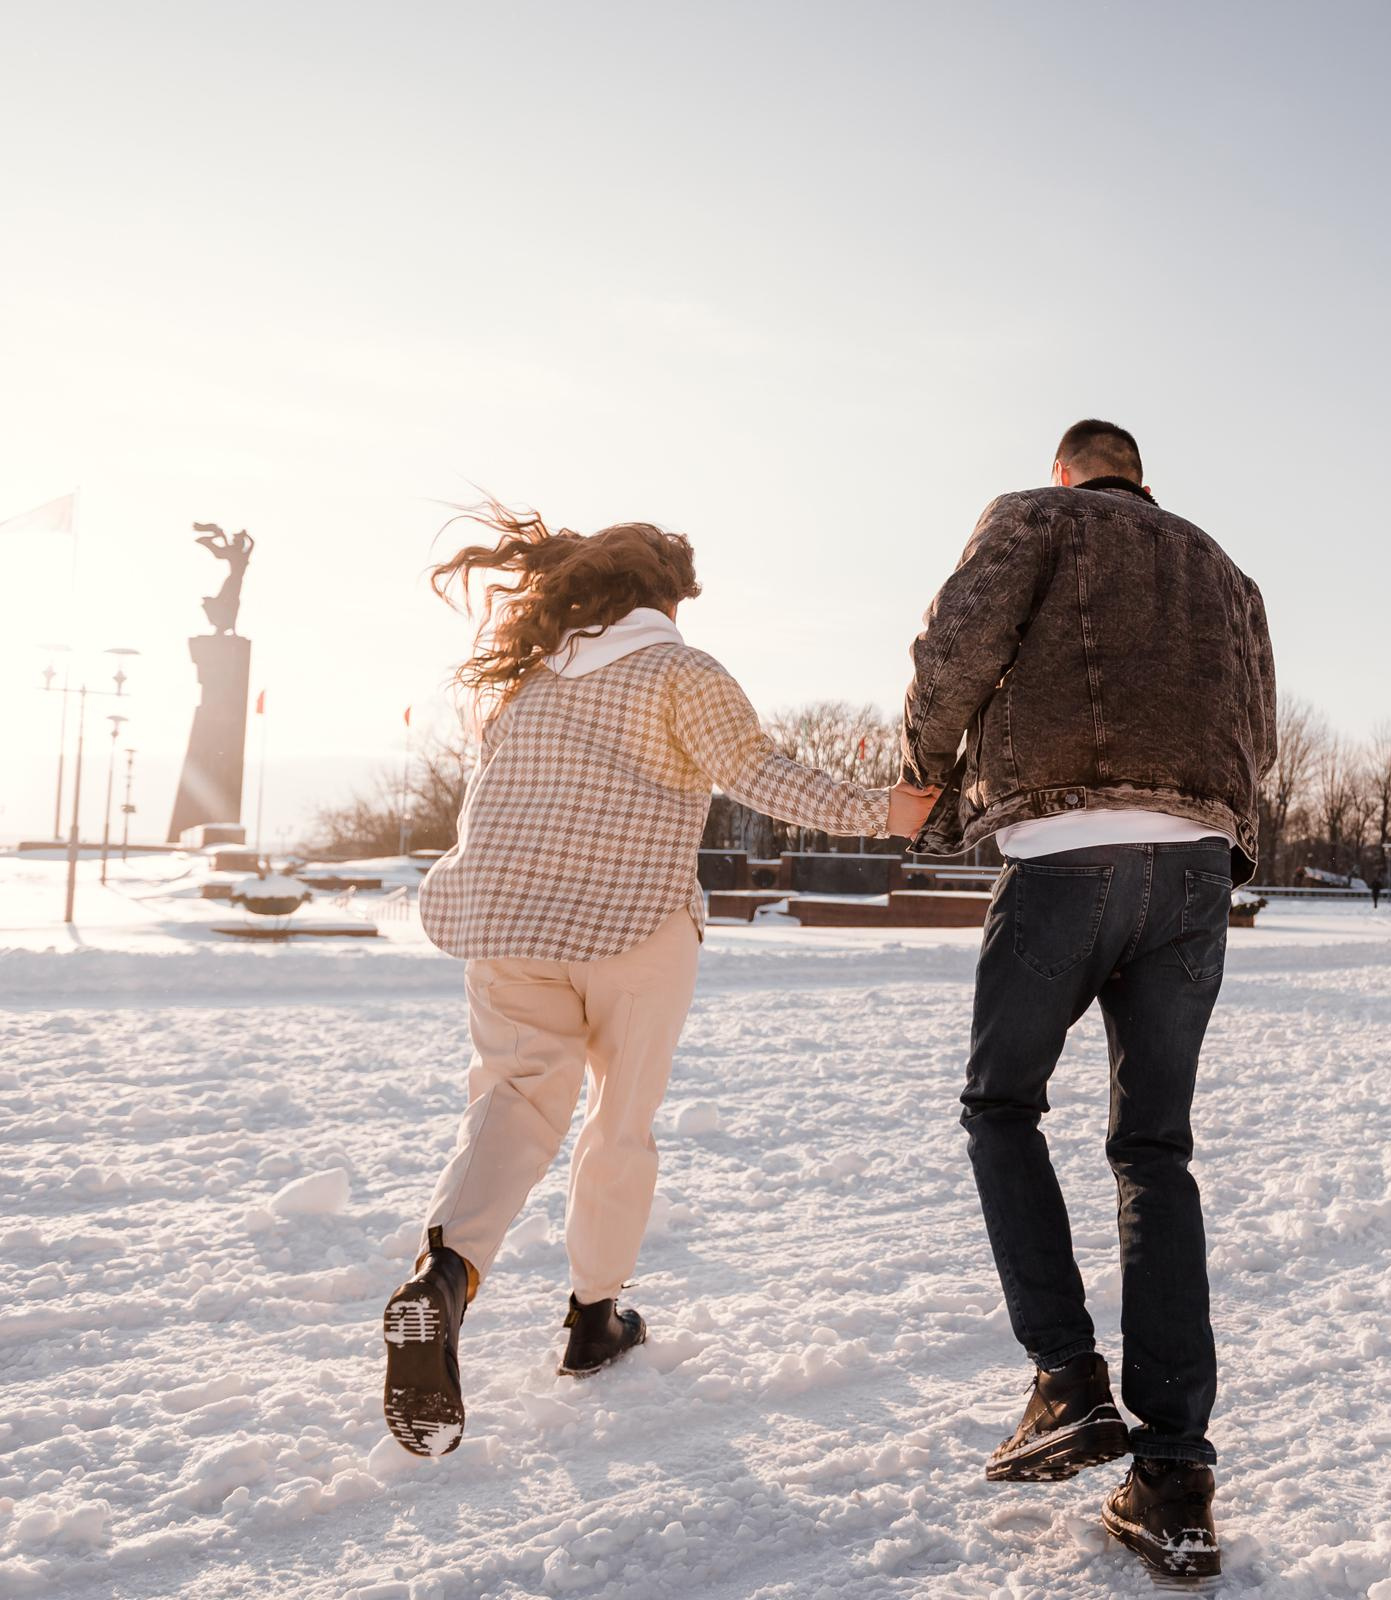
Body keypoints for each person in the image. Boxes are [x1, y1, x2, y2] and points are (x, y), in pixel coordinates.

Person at [380, 501, 936, 1458]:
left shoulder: (529, 683)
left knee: (513, 1102)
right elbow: (758, 773)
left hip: (503, 924)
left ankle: (444, 1275)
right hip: (631, 924)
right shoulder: (680, 668)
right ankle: (593, 1320)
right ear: (667, 597)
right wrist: (883, 810)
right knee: (618, 1119)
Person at [902, 421, 1276, 1581]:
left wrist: (922, 769)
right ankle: (1174, 1479)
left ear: (1068, 469)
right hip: (1197, 864)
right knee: (1155, 1149)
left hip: (1066, 849)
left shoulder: (1035, 516)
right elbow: (1258, 728)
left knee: (1001, 1103)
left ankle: (1066, 1378)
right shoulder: (1224, 566)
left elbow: (957, 646)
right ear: (1140, 476)